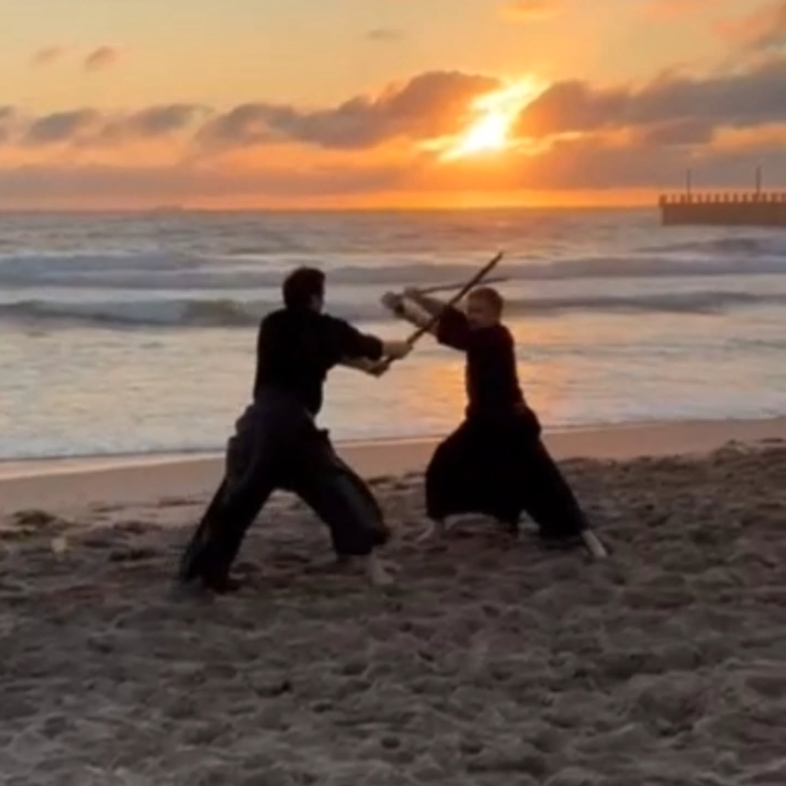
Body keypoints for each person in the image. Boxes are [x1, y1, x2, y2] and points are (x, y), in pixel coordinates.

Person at [178, 267, 412, 593]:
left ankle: (207, 571)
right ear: (316, 298)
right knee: (340, 491)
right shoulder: (327, 327)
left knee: (237, 499)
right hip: (292, 430)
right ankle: (370, 564)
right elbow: (363, 344)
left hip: (257, 424)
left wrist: (366, 367)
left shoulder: (273, 325)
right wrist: (394, 349)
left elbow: (323, 351)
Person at [382, 285, 590, 548]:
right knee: (453, 463)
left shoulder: (495, 337)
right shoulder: (478, 331)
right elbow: (449, 314)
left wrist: (406, 311)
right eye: (470, 310)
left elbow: (447, 333)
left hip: (508, 422)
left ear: (495, 314)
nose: (472, 316)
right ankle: (446, 524)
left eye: (479, 311)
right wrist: (419, 299)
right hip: (483, 420)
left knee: (534, 475)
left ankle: (565, 528)